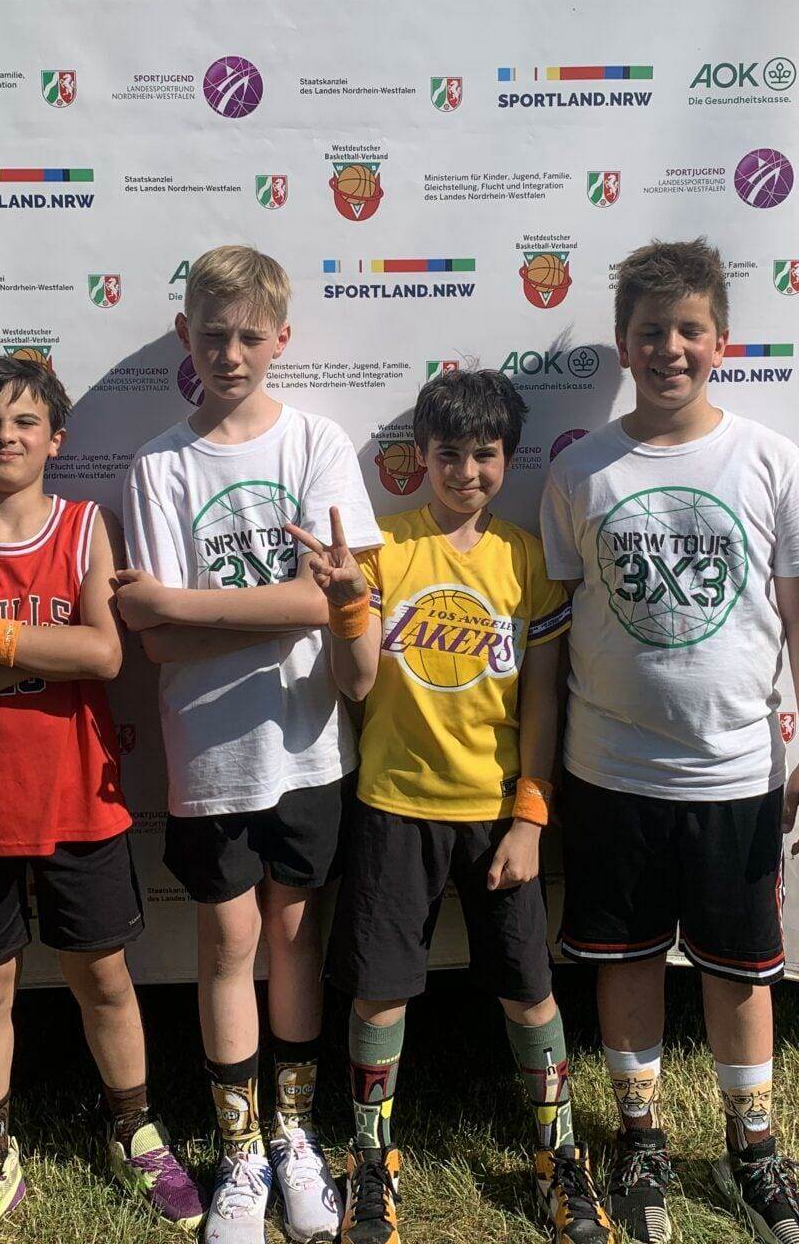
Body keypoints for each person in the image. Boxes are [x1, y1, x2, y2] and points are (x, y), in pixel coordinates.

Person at [539, 239, 799, 1244]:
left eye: (689, 330)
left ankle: (751, 1152)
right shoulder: (580, 471)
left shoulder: (769, 462)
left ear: (722, 342)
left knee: (738, 968)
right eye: (650, 331)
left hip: (736, 772)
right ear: (622, 343)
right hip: (609, 770)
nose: (669, 348)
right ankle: (641, 1141)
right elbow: (558, 628)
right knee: (625, 960)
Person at [0, 354, 204, 1244]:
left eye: (25, 421)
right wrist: (35, 656)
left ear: (56, 439)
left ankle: (135, 1132)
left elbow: (103, 655)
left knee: (103, 977)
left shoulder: (88, 525)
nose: (6, 436)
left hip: (77, 796)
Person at [290, 367, 616, 1244]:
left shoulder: (526, 559)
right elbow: (356, 682)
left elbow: (543, 698)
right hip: (393, 805)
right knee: (379, 997)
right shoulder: (383, 550)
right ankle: (371, 1164)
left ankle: (560, 1158)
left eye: (485, 455)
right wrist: (347, 606)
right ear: (420, 457)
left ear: (508, 458)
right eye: (448, 454)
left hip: (497, 814)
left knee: (530, 992)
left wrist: (532, 815)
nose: (466, 472)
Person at [116, 244, 378, 1244]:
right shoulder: (159, 466)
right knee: (227, 944)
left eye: (249, 337)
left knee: (294, 938)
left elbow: (329, 602)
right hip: (210, 755)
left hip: (308, 748)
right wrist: (282, 607)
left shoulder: (316, 443)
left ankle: (295, 1138)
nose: (231, 354)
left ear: (281, 340)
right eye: (214, 335)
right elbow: (156, 642)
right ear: (185, 334)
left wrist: (184, 602)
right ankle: (239, 1154)